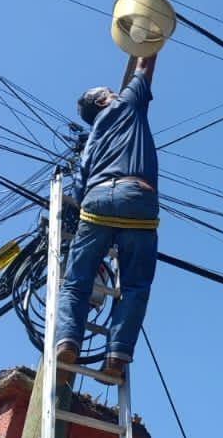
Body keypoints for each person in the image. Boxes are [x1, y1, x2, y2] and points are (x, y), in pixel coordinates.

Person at [54, 55, 160, 384]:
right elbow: (145, 65)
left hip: (96, 200)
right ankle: (116, 356)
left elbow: (80, 183)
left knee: (76, 280)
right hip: (137, 197)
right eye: (110, 91)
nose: (115, 92)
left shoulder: (91, 142)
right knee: (135, 285)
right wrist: (150, 29)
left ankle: (67, 340)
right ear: (102, 100)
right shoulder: (127, 104)